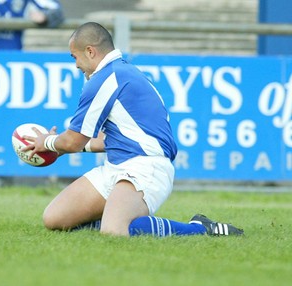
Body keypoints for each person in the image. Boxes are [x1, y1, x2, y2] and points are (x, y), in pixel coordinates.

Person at [23, 22, 244, 238]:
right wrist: (59, 144)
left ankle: (199, 228)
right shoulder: (121, 72)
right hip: (117, 166)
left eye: (75, 57)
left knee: (114, 231)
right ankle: (117, 217)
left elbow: (73, 142)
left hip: (146, 167)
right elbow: (102, 140)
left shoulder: (105, 79)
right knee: (54, 219)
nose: (76, 65)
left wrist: (49, 143)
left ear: (90, 51)